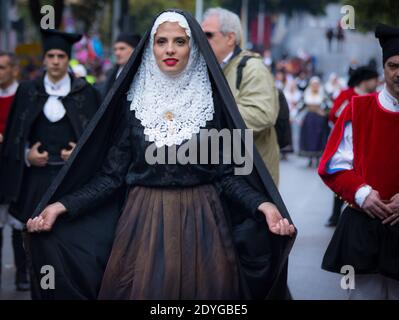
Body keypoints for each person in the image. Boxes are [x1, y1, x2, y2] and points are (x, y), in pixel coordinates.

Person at [26, 10, 296, 300]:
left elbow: (229, 174)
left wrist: (263, 205)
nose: (170, 49)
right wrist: (62, 206)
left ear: (192, 47)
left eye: (180, 41)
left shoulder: (214, 104)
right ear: (150, 47)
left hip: (203, 224)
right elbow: (111, 177)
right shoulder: (133, 106)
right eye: (161, 41)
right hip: (142, 223)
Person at [0, 29, 101, 298]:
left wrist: (78, 154)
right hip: (35, 179)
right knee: (33, 236)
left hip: (70, 182)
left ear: (68, 59)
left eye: (61, 56)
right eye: (51, 56)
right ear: (44, 59)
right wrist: (26, 155)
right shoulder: (27, 91)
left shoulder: (85, 92)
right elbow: (14, 136)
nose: (55, 61)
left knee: (66, 240)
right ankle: (32, 284)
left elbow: (97, 139)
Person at [318, 24, 399, 299]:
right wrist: (363, 194)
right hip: (364, 226)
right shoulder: (359, 109)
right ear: (384, 68)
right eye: (393, 65)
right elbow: (333, 166)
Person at [201, 7, 280, 185]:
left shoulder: (252, 68)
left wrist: (206, 114)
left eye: (209, 35)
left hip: (252, 178)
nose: (202, 40)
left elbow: (263, 115)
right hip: (225, 174)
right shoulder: (210, 68)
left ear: (230, 38)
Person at [325, 66, 379, 227]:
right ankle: (335, 216)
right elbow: (334, 114)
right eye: (374, 79)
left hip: (367, 145)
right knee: (344, 177)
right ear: (365, 81)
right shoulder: (347, 95)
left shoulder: (375, 97)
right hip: (348, 143)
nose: (377, 82)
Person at [0, 51, 30, 291]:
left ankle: (22, 274)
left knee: (19, 222)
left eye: (2, 67)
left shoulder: (26, 95)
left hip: (20, 167)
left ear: (13, 70)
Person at [299, 77, 329, 168]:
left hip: (319, 120)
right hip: (309, 120)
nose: (315, 86)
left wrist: (324, 112)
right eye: (313, 85)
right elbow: (301, 107)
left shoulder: (323, 95)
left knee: (319, 138)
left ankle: (318, 159)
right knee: (309, 138)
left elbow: (329, 106)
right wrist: (299, 118)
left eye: (316, 84)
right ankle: (310, 159)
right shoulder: (306, 94)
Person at [100, 33, 141, 99]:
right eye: (115, 49)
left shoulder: (142, 73)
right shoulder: (111, 74)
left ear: (134, 50)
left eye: (122, 48)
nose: (117, 53)